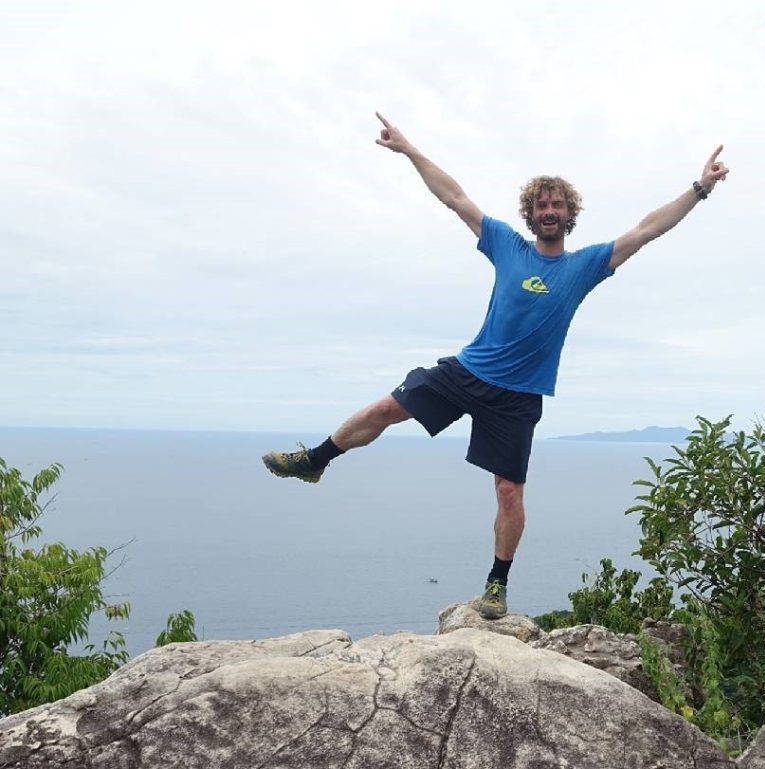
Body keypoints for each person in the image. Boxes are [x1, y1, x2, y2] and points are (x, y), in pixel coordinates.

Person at [262, 112, 730, 619]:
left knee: (508, 491)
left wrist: (699, 188)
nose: (548, 210)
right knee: (385, 408)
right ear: (530, 215)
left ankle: (496, 585)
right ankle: (315, 461)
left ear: (569, 214)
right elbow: (455, 197)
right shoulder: (506, 244)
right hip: (468, 371)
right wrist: (410, 150)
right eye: (540, 204)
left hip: (519, 395)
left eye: (557, 204)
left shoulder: (585, 266)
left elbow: (648, 229)